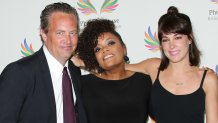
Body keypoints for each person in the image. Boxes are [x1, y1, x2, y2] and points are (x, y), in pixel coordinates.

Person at [125, 6, 218, 123]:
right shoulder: (153, 67)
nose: (171, 45)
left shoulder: (208, 79)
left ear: (189, 39)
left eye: (177, 37)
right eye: (165, 39)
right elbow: (116, 68)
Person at [0, 2, 87, 123]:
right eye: (60, 33)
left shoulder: (74, 70)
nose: (68, 40)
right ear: (44, 34)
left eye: (72, 33)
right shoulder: (18, 73)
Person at [75, 18, 152, 123]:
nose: (105, 49)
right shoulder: (83, 84)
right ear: (95, 58)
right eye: (97, 49)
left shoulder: (144, 81)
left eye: (110, 43)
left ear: (124, 48)